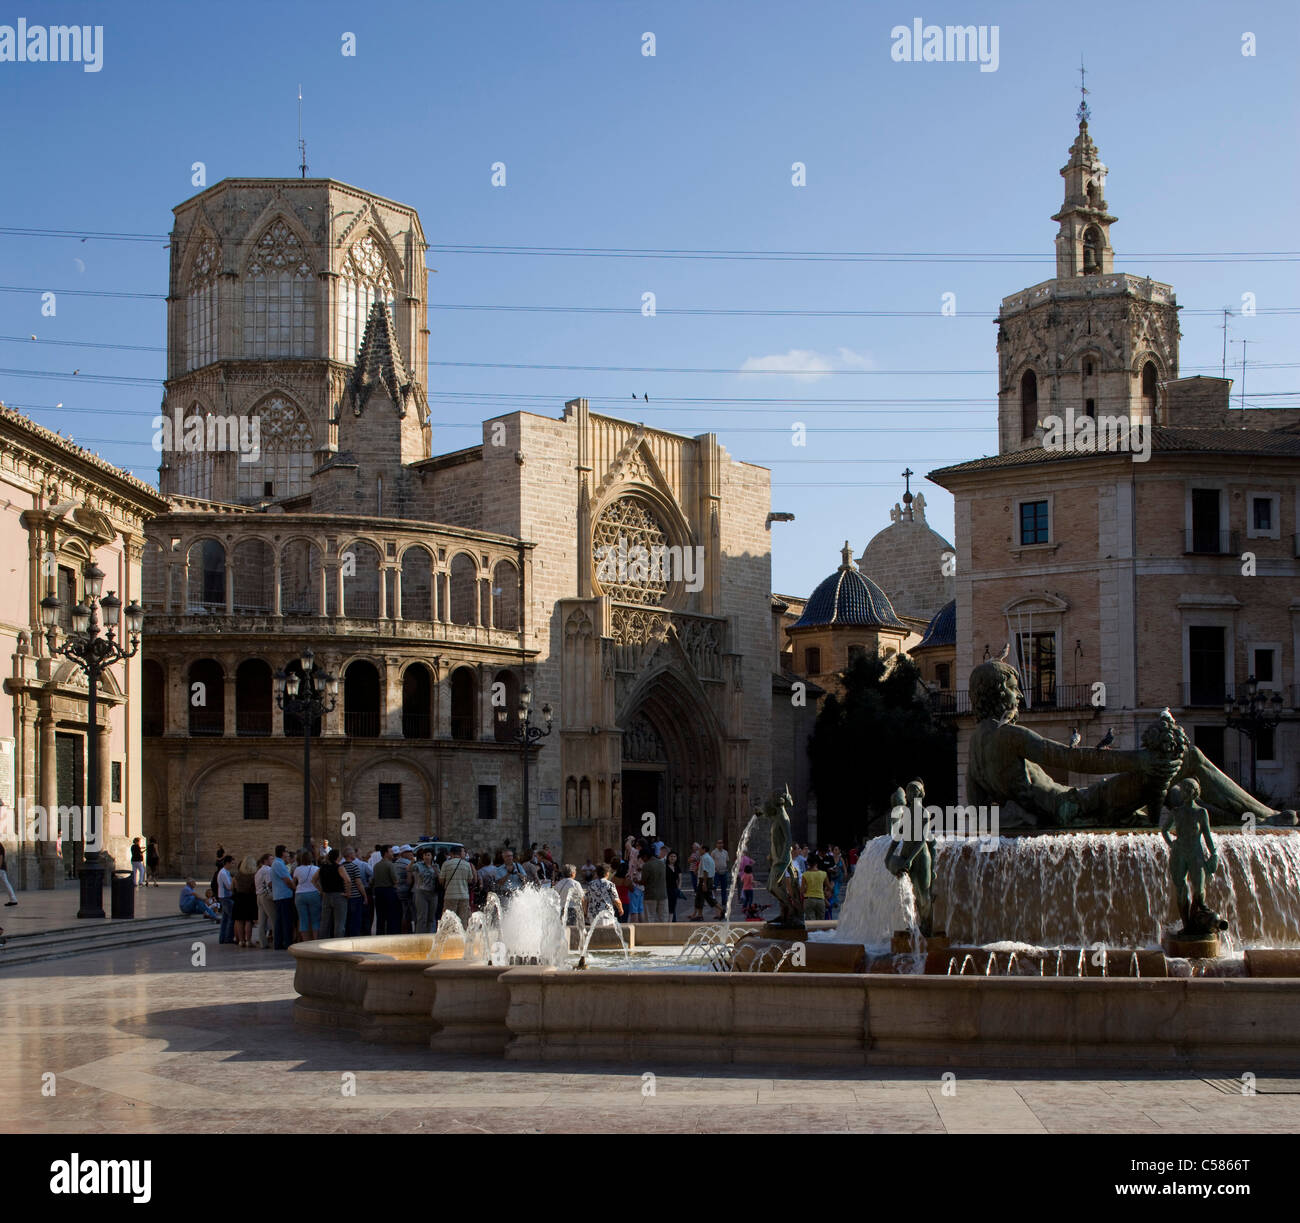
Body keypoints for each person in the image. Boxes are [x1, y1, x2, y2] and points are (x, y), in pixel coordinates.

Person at [316, 848, 350, 939]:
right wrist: (348, 893)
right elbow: (348, 880)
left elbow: (313, 880)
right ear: (337, 857)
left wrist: (321, 890)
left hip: (326, 895)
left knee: (324, 922)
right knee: (339, 922)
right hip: (339, 895)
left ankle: (321, 942)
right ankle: (338, 943)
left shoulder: (322, 867)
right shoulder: (340, 867)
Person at [439, 846, 474, 926]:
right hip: (464, 896)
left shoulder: (446, 864)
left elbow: (441, 880)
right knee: (463, 920)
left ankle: (450, 937)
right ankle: (462, 937)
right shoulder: (467, 865)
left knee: (449, 921)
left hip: (450, 895)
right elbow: (470, 880)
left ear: (451, 853)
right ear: (460, 853)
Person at [270, 845, 296, 950]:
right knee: (285, 921)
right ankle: (286, 942)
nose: (288, 853)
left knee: (281, 921)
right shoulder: (278, 864)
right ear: (282, 853)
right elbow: (287, 880)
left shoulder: (278, 863)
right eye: (286, 851)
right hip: (283, 896)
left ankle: (279, 942)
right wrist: (295, 888)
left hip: (280, 896)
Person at [371, 846, 400, 935]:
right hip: (389, 892)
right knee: (391, 916)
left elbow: (373, 880)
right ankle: (390, 935)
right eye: (391, 852)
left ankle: (380, 935)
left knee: (380, 917)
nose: (392, 853)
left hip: (378, 892)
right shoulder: (390, 865)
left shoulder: (376, 866)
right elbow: (395, 879)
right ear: (386, 853)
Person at [293, 849, 321, 941]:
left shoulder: (297, 869)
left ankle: (305, 942)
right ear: (311, 859)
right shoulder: (316, 869)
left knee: (303, 919)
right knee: (315, 919)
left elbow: (294, 882)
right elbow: (318, 882)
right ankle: (316, 940)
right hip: (314, 894)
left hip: (300, 895)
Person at [232, 854, 259, 946]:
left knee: (239, 920)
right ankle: (248, 940)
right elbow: (256, 888)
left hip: (239, 897)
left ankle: (241, 941)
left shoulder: (237, 876)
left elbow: (233, 887)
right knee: (248, 920)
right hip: (250, 897)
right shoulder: (254, 875)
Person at [342, 846, 369, 936]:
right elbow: (359, 883)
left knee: (347, 919)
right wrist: (365, 896)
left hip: (345, 897)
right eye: (353, 853)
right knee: (356, 920)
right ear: (350, 855)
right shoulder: (354, 867)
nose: (355, 855)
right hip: (356, 897)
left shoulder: (341, 867)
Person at [689, 844, 721, 920]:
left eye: (700, 849)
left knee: (700, 897)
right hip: (706, 879)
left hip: (704, 880)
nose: (698, 851)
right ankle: (722, 911)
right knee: (706, 898)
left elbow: (705, 871)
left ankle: (700, 916)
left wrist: (704, 883)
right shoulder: (706, 857)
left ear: (704, 850)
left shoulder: (705, 858)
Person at [411, 848, 439, 933]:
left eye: (428, 855)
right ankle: (419, 936)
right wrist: (412, 861)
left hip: (433, 893)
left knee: (431, 917)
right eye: (425, 855)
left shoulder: (436, 866)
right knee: (422, 917)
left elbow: (440, 878)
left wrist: (436, 871)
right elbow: (408, 869)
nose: (426, 857)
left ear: (432, 856)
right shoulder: (418, 865)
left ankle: (429, 935)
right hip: (421, 892)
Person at [640, 846, 668, 922]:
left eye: (642, 858)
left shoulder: (646, 865)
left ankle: (650, 934)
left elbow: (643, 881)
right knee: (663, 918)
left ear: (645, 856)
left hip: (650, 895)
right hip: (663, 894)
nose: (642, 860)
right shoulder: (662, 863)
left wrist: (636, 881)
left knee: (649, 918)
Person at [254, 852, 275, 948]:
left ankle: (263, 943)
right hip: (266, 896)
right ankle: (276, 941)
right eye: (271, 859)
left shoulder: (258, 871)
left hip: (259, 896)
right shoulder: (267, 870)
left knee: (262, 921)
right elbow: (270, 883)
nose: (273, 861)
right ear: (266, 860)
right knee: (274, 918)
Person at [216, 855, 236, 945]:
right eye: (232, 863)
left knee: (225, 918)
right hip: (225, 897)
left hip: (224, 897)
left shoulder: (225, 872)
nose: (233, 865)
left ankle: (222, 938)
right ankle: (228, 938)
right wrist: (234, 882)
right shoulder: (223, 873)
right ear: (227, 863)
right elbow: (228, 886)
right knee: (232, 917)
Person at [801, 855, 829, 921]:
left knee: (811, 924)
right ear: (816, 863)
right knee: (820, 924)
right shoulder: (824, 874)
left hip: (809, 900)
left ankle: (812, 931)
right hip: (820, 900)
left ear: (808, 863)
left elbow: (802, 890)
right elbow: (829, 887)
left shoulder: (805, 874)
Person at [712, 839, 730, 911]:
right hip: (716, 872)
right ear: (716, 844)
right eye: (719, 843)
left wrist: (726, 868)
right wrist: (715, 869)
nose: (720, 844)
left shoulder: (725, 852)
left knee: (724, 888)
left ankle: (724, 902)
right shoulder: (713, 852)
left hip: (724, 872)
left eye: (721, 843)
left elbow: (727, 860)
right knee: (714, 888)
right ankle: (714, 902)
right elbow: (711, 862)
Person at [664, 850, 680, 922]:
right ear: (668, 857)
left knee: (673, 906)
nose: (672, 858)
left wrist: (678, 889)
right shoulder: (665, 867)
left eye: (674, 856)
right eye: (671, 856)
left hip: (674, 889)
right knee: (667, 906)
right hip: (666, 889)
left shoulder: (677, 867)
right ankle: (669, 921)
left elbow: (680, 879)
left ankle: (672, 921)